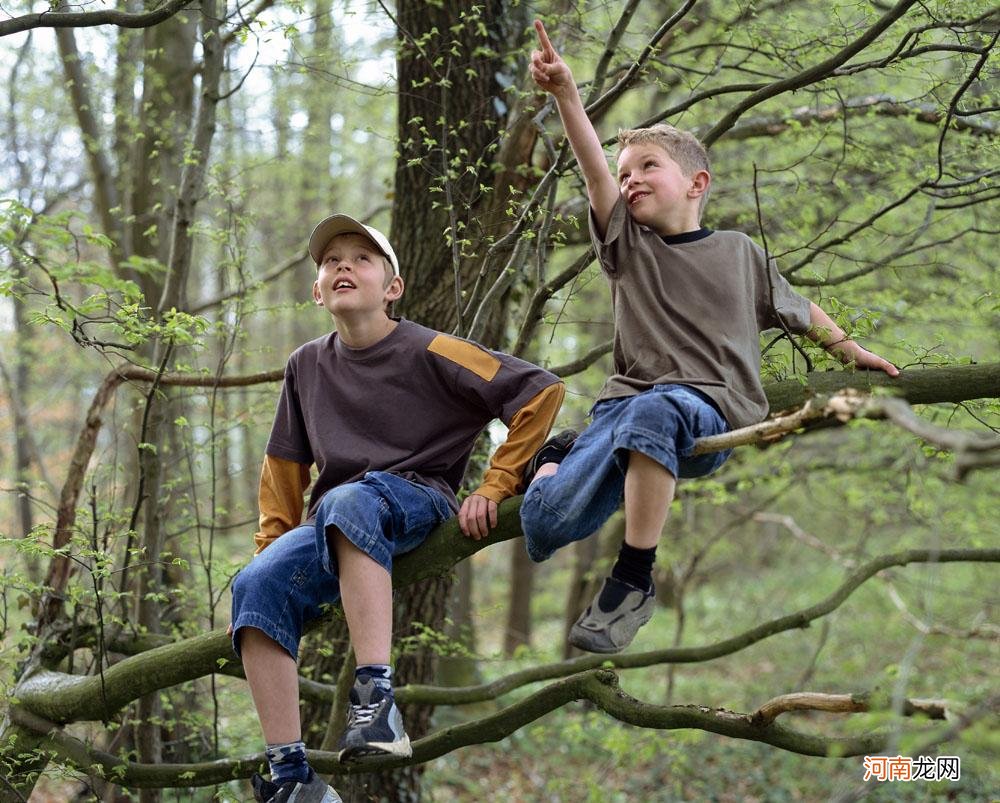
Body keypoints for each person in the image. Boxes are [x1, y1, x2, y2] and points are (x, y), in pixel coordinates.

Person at [519, 20, 899, 655]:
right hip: (623, 415)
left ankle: (634, 577)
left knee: (658, 408)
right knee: (543, 524)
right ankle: (559, 452)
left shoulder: (739, 252)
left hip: (703, 414)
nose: (629, 178)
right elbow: (592, 177)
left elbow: (801, 309)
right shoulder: (628, 248)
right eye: (624, 170)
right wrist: (568, 99)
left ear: (697, 183)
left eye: (648, 166)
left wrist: (852, 352)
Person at [230, 213, 564, 802]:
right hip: (337, 519)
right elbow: (283, 468)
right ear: (316, 290)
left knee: (348, 499)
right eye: (331, 261)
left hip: (417, 497)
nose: (342, 267)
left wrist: (496, 484)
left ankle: (377, 702)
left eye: (361, 258)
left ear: (392, 288)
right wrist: (277, 556)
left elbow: (539, 389)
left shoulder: (432, 348)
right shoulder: (305, 365)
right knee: (254, 584)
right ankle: (291, 775)